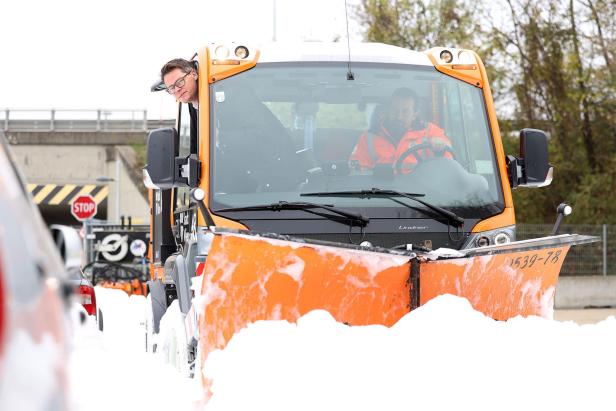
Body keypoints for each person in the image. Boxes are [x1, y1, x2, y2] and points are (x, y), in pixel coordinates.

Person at [349, 87, 453, 173]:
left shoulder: (429, 131)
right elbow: (356, 171)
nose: (399, 116)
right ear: (389, 110)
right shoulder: (368, 138)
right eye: (395, 110)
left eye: (405, 111)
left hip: (420, 194)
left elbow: (448, 159)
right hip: (380, 193)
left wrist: (440, 148)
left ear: (414, 115)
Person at [160, 58, 199, 146]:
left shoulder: (218, 101)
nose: (177, 89)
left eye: (180, 82)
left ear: (194, 74)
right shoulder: (192, 107)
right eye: (171, 88)